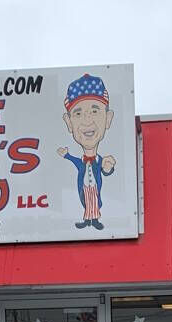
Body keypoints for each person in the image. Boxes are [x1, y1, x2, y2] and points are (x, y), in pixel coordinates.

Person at [57, 74, 117, 230]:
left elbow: (105, 169)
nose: (87, 121)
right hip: (85, 187)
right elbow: (75, 161)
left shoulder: (99, 160)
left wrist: (108, 168)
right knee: (88, 202)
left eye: (95, 111)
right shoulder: (82, 161)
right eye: (78, 113)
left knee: (94, 202)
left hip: (94, 188)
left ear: (108, 118)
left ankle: (95, 220)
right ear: (68, 123)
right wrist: (66, 155)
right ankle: (88, 220)